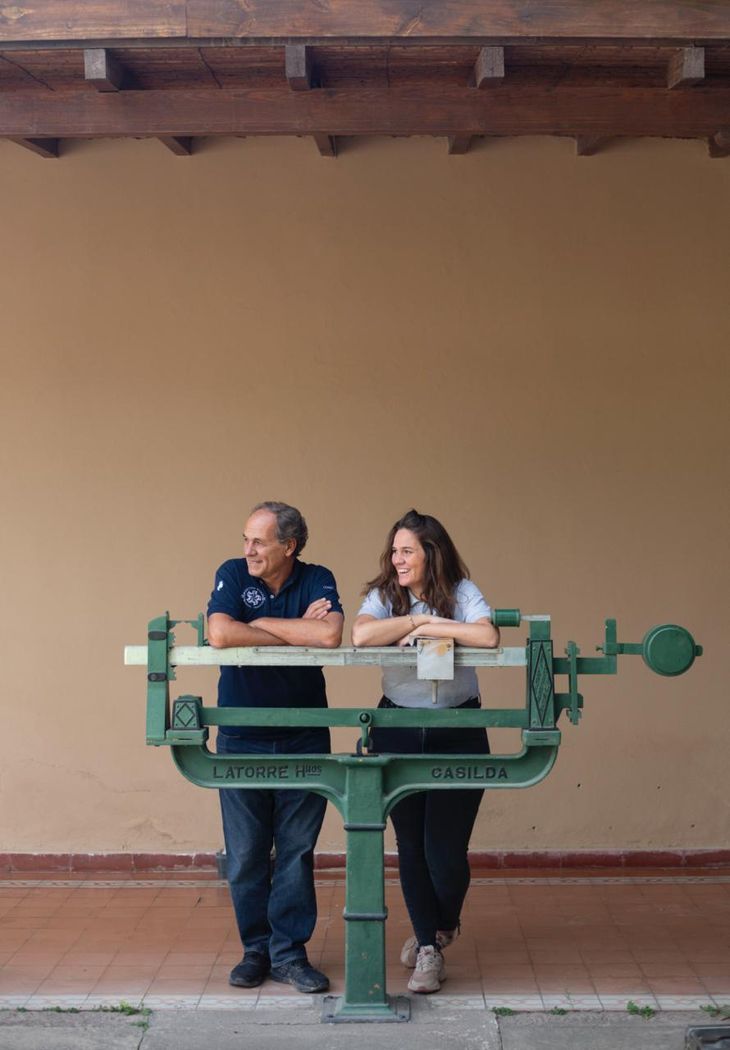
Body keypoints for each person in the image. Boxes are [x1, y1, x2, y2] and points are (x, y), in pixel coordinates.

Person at [351, 509, 500, 995]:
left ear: (431, 552)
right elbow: (361, 634)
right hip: (396, 726)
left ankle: (443, 923)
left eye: (407, 550)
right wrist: (413, 618)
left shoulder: (462, 591)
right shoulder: (384, 595)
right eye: (394, 550)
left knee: (446, 853)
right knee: (410, 847)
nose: (397, 559)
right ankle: (428, 949)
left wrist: (435, 627)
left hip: (459, 728)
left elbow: (487, 634)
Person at [207, 501, 343, 994]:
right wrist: (292, 631)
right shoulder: (231, 572)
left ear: (289, 546)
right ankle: (255, 951)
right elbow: (219, 631)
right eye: (246, 539)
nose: (248, 550)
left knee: (295, 852)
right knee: (245, 855)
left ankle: (289, 955)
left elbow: (329, 635)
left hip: (304, 734)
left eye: (258, 541)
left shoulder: (317, 577)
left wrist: (258, 627)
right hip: (240, 735)